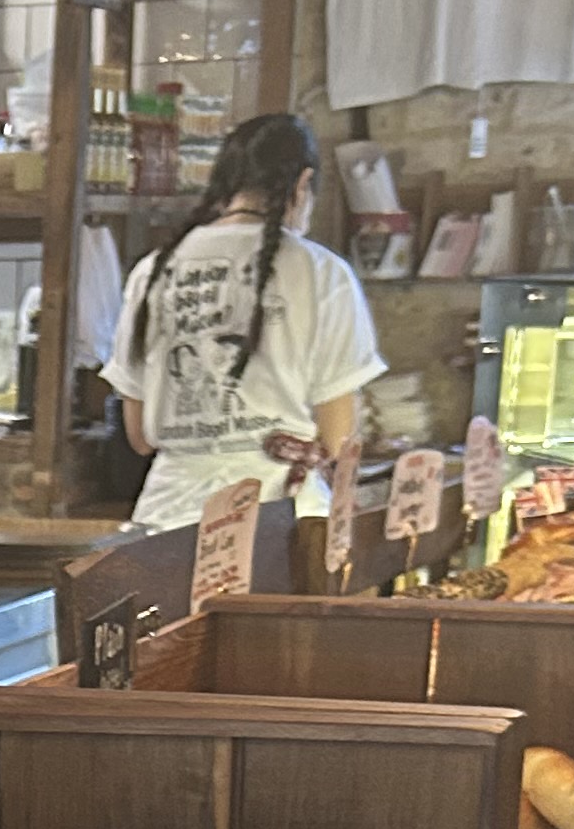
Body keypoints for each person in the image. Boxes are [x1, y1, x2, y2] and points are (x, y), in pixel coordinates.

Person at [102, 111, 386, 532]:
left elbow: (139, 437)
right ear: (303, 184)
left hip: (167, 523)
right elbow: (337, 439)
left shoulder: (153, 271)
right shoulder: (323, 273)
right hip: (278, 524)